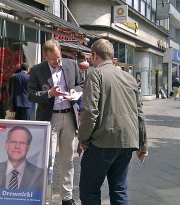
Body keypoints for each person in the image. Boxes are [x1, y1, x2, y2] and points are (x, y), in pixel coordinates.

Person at [77, 39, 148, 205]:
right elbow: (139, 113)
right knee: (119, 189)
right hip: (127, 141)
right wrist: (142, 145)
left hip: (103, 140)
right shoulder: (129, 78)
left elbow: (90, 111)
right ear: (111, 55)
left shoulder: (95, 74)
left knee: (89, 189)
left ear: (94, 55)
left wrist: (83, 139)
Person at [28, 39, 84, 205]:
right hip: (49, 118)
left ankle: (66, 198)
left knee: (68, 159)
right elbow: (31, 95)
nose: (57, 62)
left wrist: (75, 90)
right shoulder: (37, 70)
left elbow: (81, 84)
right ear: (46, 56)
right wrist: (49, 94)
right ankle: (45, 196)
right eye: (53, 59)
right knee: (48, 159)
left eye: (59, 57)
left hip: (68, 116)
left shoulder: (71, 65)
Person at [0, 126, 44, 190]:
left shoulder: (40, 175)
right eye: (13, 142)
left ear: (28, 147)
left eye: (22, 143)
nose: (17, 146)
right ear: (6, 145)